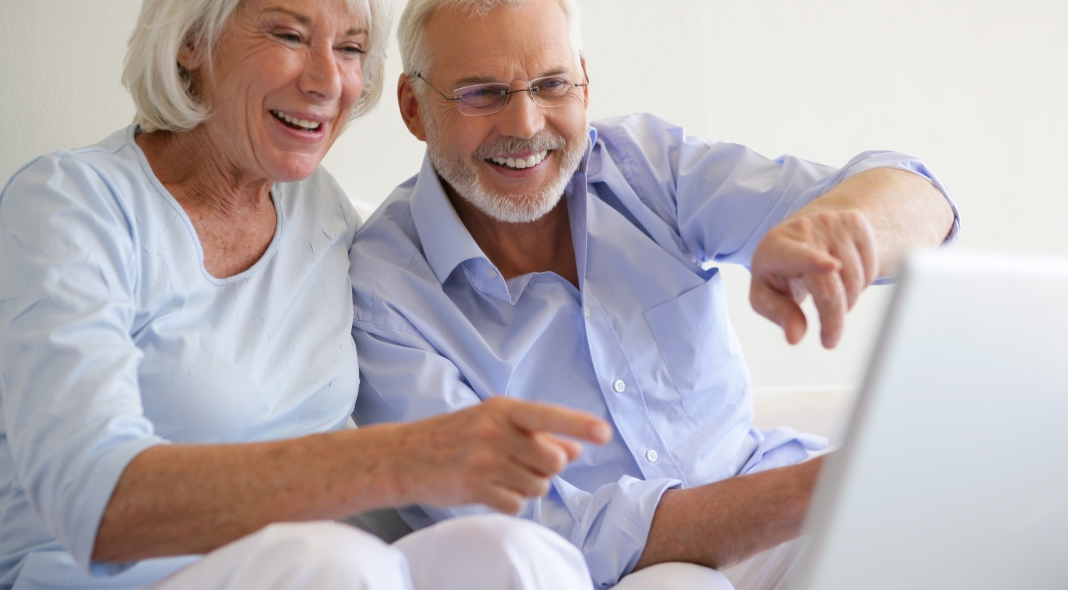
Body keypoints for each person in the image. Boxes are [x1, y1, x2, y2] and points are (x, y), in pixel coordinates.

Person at [0, 0, 614, 588]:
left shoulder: (324, 213)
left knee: (511, 552)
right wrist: (402, 459)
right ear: (190, 41)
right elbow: (93, 503)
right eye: (289, 35)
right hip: (117, 577)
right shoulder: (68, 205)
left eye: (350, 48)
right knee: (333, 565)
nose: (328, 81)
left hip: (328, 565)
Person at [348, 0, 961, 588]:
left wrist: (845, 228)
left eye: (552, 85)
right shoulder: (383, 292)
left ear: (585, 82)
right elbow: (540, 537)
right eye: (483, 93)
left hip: (774, 514)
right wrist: (816, 488)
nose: (526, 125)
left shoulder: (642, 167)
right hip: (614, 575)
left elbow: (918, 196)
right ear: (413, 106)